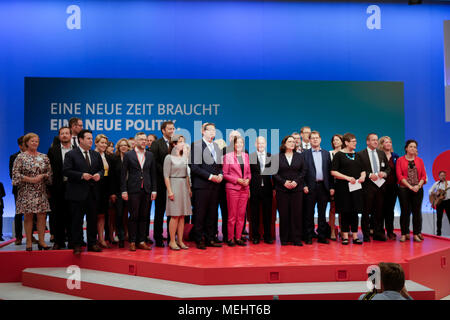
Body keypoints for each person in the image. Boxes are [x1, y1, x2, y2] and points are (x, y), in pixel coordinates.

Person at [63, 129, 104, 254]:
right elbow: (66, 171)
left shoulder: (95, 154)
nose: (91, 141)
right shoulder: (71, 154)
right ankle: (77, 244)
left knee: (92, 220)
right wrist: (81, 175)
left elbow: (101, 169)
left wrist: (98, 175)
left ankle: (92, 243)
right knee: (77, 220)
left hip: (92, 193)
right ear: (80, 139)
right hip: (77, 193)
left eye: (92, 138)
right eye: (88, 138)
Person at [12, 133, 53, 251]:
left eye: (36, 141)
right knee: (28, 216)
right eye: (32, 141)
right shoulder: (21, 157)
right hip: (26, 191)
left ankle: (42, 242)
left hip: (41, 191)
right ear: (26, 143)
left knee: (42, 216)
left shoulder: (44, 157)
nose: (35, 143)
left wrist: (44, 176)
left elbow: (50, 174)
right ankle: (29, 242)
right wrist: (31, 179)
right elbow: (15, 175)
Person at [189, 122, 223, 250]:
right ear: (203, 131)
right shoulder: (196, 145)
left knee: (212, 213)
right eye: (210, 130)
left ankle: (210, 238)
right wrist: (210, 176)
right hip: (202, 185)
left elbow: (219, 165)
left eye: (214, 130)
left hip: (215, 186)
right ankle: (199, 239)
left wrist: (220, 174)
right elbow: (194, 167)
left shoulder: (216, 146)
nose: (213, 132)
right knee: (200, 213)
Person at [121, 132, 157, 251]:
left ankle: (141, 241)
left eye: (145, 140)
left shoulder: (150, 155)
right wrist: (124, 190)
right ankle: (132, 241)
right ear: (135, 141)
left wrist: (154, 190)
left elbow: (153, 174)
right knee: (134, 216)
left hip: (146, 189)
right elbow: (123, 174)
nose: (144, 141)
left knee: (144, 216)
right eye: (141, 139)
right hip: (133, 189)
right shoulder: (128, 155)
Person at [331, 133, 366, 245]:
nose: (355, 143)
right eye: (353, 141)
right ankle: (345, 235)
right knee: (345, 211)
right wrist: (347, 178)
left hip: (356, 187)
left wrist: (362, 177)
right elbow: (333, 172)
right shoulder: (339, 155)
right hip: (343, 188)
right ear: (346, 142)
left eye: (356, 141)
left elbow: (363, 170)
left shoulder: (358, 155)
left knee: (355, 211)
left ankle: (355, 235)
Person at [273, 135, 306, 246]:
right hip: (282, 190)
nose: (292, 143)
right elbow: (274, 173)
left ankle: (296, 238)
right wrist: (284, 182)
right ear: (284, 143)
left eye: (294, 142)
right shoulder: (277, 157)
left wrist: (296, 182)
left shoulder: (300, 156)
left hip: (297, 189)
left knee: (296, 214)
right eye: (290, 141)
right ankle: (284, 238)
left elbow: (303, 171)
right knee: (284, 214)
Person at [303, 131, 334, 244]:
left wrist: (331, 187)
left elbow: (329, 173)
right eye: (313, 138)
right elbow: (302, 172)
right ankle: (309, 236)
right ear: (309, 140)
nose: (315, 140)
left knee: (322, 213)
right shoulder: (304, 154)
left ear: (320, 139)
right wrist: (304, 185)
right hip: (310, 187)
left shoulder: (326, 154)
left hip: (323, 187)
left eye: (317, 138)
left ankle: (322, 236)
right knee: (309, 213)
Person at [358, 133, 390, 242]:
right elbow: (358, 170)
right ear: (367, 142)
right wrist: (369, 174)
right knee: (366, 212)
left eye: (376, 140)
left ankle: (378, 233)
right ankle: (366, 235)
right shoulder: (361, 154)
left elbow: (388, 168)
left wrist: (384, 174)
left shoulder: (381, 153)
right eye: (373, 140)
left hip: (380, 187)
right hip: (367, 187)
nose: (376, 142)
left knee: (379, 212)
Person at [163, 134, 192, 250]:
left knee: (182, 216)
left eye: (183, 141)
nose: (182, 144)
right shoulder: (168, 157)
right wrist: (169, 191)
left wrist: (189, 188)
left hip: (184, 186)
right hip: (174, 186)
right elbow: (166, 176)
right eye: (180, 142)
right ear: (174, 144)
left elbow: (187, 175)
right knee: (175, 216)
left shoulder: (185, 157)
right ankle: (172, 241)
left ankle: (180, 240)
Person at [150, 121, 175, 247]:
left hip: (175, 182)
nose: (172, 131)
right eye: (169, 129)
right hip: (160, 182)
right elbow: (154, 163)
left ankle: (172, 238)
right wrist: (167, 172)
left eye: (173, 128)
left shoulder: (176, 142)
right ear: (163, 130)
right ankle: (158, 238)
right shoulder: (156, 144)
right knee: (160, 211)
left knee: (172, 212)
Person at [47, 126, 73, 250]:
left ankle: (73, 241)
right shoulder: (53, 150)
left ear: (71, 135)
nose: (64, 135)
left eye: (67, 133)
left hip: (74, 187)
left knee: (73, 215)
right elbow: (49, 170)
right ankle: (59, 241)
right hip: (58, 188)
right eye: (62, 133)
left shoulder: (76, 149)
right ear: (59, 136)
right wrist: (49, 188)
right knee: (58, 216)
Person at [396, 139, 427, 242]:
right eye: (411, 147)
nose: (413, 148)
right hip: (404, 189)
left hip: (418, 189)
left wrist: (418, 186)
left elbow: (423, 175)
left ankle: (417, 233)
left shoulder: (420, 160)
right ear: (406, 148)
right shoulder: (400, 160)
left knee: (417, 212)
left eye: (415, 147)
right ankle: (404, 233)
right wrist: (410, 186)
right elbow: (399, 176)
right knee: (405, 212)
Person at [223, 136, 251, 247]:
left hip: (244, 189)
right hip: (233, 189)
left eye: (241, 142)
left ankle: (238, 237)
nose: (239, 144)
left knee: (241, 215)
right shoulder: (228, 157)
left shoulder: (246, 156)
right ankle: (230, 238)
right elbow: (225, 174)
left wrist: (248, 180)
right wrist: (237, 180)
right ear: (233, 145)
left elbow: (249, 172)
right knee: (232, 216)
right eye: (237, 142)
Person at [9, 136, 37, 245]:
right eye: (26, 144)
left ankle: (31, 236)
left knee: (33, 213)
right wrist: (27, 180)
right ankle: (19, 237)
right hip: (19, 189)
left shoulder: (36, 156)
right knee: (19, 213)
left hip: (33, 189)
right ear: (21, 145)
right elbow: (12, 174)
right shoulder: (14, 157)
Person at [249, 136, 275, 244]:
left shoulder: (270, 156)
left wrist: (274, 188)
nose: (260, 145)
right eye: (259, 143)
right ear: (255, 144)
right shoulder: (250, 157)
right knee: (254, 214)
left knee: (267, 214)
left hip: (268, 189)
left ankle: (267, 236)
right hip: (254, 189)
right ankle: (255, 236)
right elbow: (248, 173)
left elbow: (274, 174)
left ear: (265, 144)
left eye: (262, 143)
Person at [94, 134, 115, 248]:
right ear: (96, 143)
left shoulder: (108, 157)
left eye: (105, 143)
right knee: (94, 215)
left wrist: (111, 192)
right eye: (101, 142)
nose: (104, 145)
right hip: (94, 188)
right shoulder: (91, 155)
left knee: (102, 215)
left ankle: (101, 239)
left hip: (105, 189)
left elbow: (111, 177)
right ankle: (93, 239)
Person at [379, 136, 400, 240]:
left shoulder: (395, 156)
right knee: (380, 210)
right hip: (380, 187)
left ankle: (390, 231)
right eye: (386, 142)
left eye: (390, 142)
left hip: (392, 187)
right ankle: (380, 231)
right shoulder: (378, 155)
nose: (388, 144)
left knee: (390, 210)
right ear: (382, 144)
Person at [111, 138, 130, 248]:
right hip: (118, 191)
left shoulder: (132, 158)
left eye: (125, 145)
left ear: (128, 147)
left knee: (130, 214)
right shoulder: (114, 159)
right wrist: (113, 193)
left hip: (131, 190)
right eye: (121, 145)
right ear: (118, 147)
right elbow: (112, 178)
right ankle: (121, 237)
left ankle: (130, 236)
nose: (123, 147)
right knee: (119, 214)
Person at [328, 134, 343, 241]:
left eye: (337, 140)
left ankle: (343, 230)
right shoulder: (329, 154)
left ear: (342, 142)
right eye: (334, 140)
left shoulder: (347, 154)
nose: (335, 142)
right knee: (333, 208)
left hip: (345, 185)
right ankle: (332, 230)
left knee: (344, 209)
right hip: (333, 184)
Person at [429, 171, 450, 236]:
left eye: (443, 175)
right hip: (439, 202)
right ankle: (438, 234)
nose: (442, 177)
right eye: (441, 175)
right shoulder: (436, 184)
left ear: (445, 176)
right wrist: (435, 193)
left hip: (448, 202)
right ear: (439, 177)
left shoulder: (449, 183)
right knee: (439, 218)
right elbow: (430, 191)